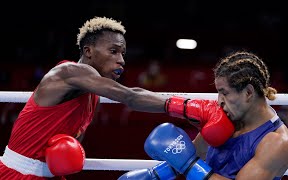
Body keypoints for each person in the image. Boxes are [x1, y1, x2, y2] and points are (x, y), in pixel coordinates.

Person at [0, 16, 173, 180]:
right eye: (113, 51)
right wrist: (184, 106)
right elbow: (130, 96)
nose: (121, 60)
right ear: (88, 51)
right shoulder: (69, 71)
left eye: (123, 53)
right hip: (15, 174)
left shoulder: (93, 96)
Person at [119, 51, 288, 180]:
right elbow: (193, 153)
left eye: (224, 93)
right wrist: (155, 175)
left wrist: (189, 164)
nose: (219, 101)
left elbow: (189, 162)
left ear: (248, 92)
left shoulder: (276, 143)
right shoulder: (226, 117)